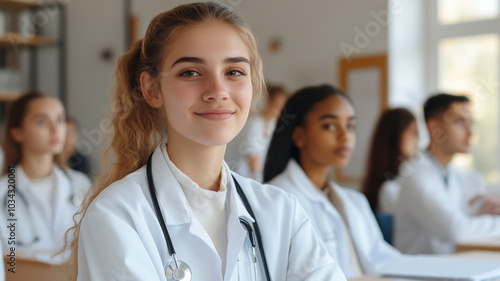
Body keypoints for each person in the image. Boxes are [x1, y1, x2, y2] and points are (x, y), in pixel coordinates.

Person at [64, 3, 346, 281]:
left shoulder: (282, 211)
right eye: (190, 72)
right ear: (152, 89)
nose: (218, 91)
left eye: (234, 71)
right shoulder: (117, 216)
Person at [264, 85, 401, 278]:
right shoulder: (276, 199)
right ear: (298, 135)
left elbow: (383, 259)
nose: (345, 136)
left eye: (350, 126)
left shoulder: (354, 200)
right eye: (329, 125)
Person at [395, 93, 500, 254]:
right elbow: (457, 231)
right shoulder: (414, 175)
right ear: (434, 128)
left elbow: (478, 222)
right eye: (459, 122)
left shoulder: (463, 178)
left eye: (471, 123)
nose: (470, 132)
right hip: (419, 277)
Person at [0, 92, 92, 257]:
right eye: (42, 121)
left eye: (59, 120)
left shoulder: (80, 184)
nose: (55, 129)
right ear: (17, 133)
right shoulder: (2, 193)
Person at [225, 83, 288, 182]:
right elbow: (251, 156)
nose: (280, 109)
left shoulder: (272, 125)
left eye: (283, 105)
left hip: (255, 178)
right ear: (269, 101)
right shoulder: (255, 122)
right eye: (277, 104)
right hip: (241, 176)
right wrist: (260, 180)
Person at [362, 108, 419, 214]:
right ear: (396, 135)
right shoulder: (389, 190)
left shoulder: (410, 176)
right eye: (413, 133)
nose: (417, 139)